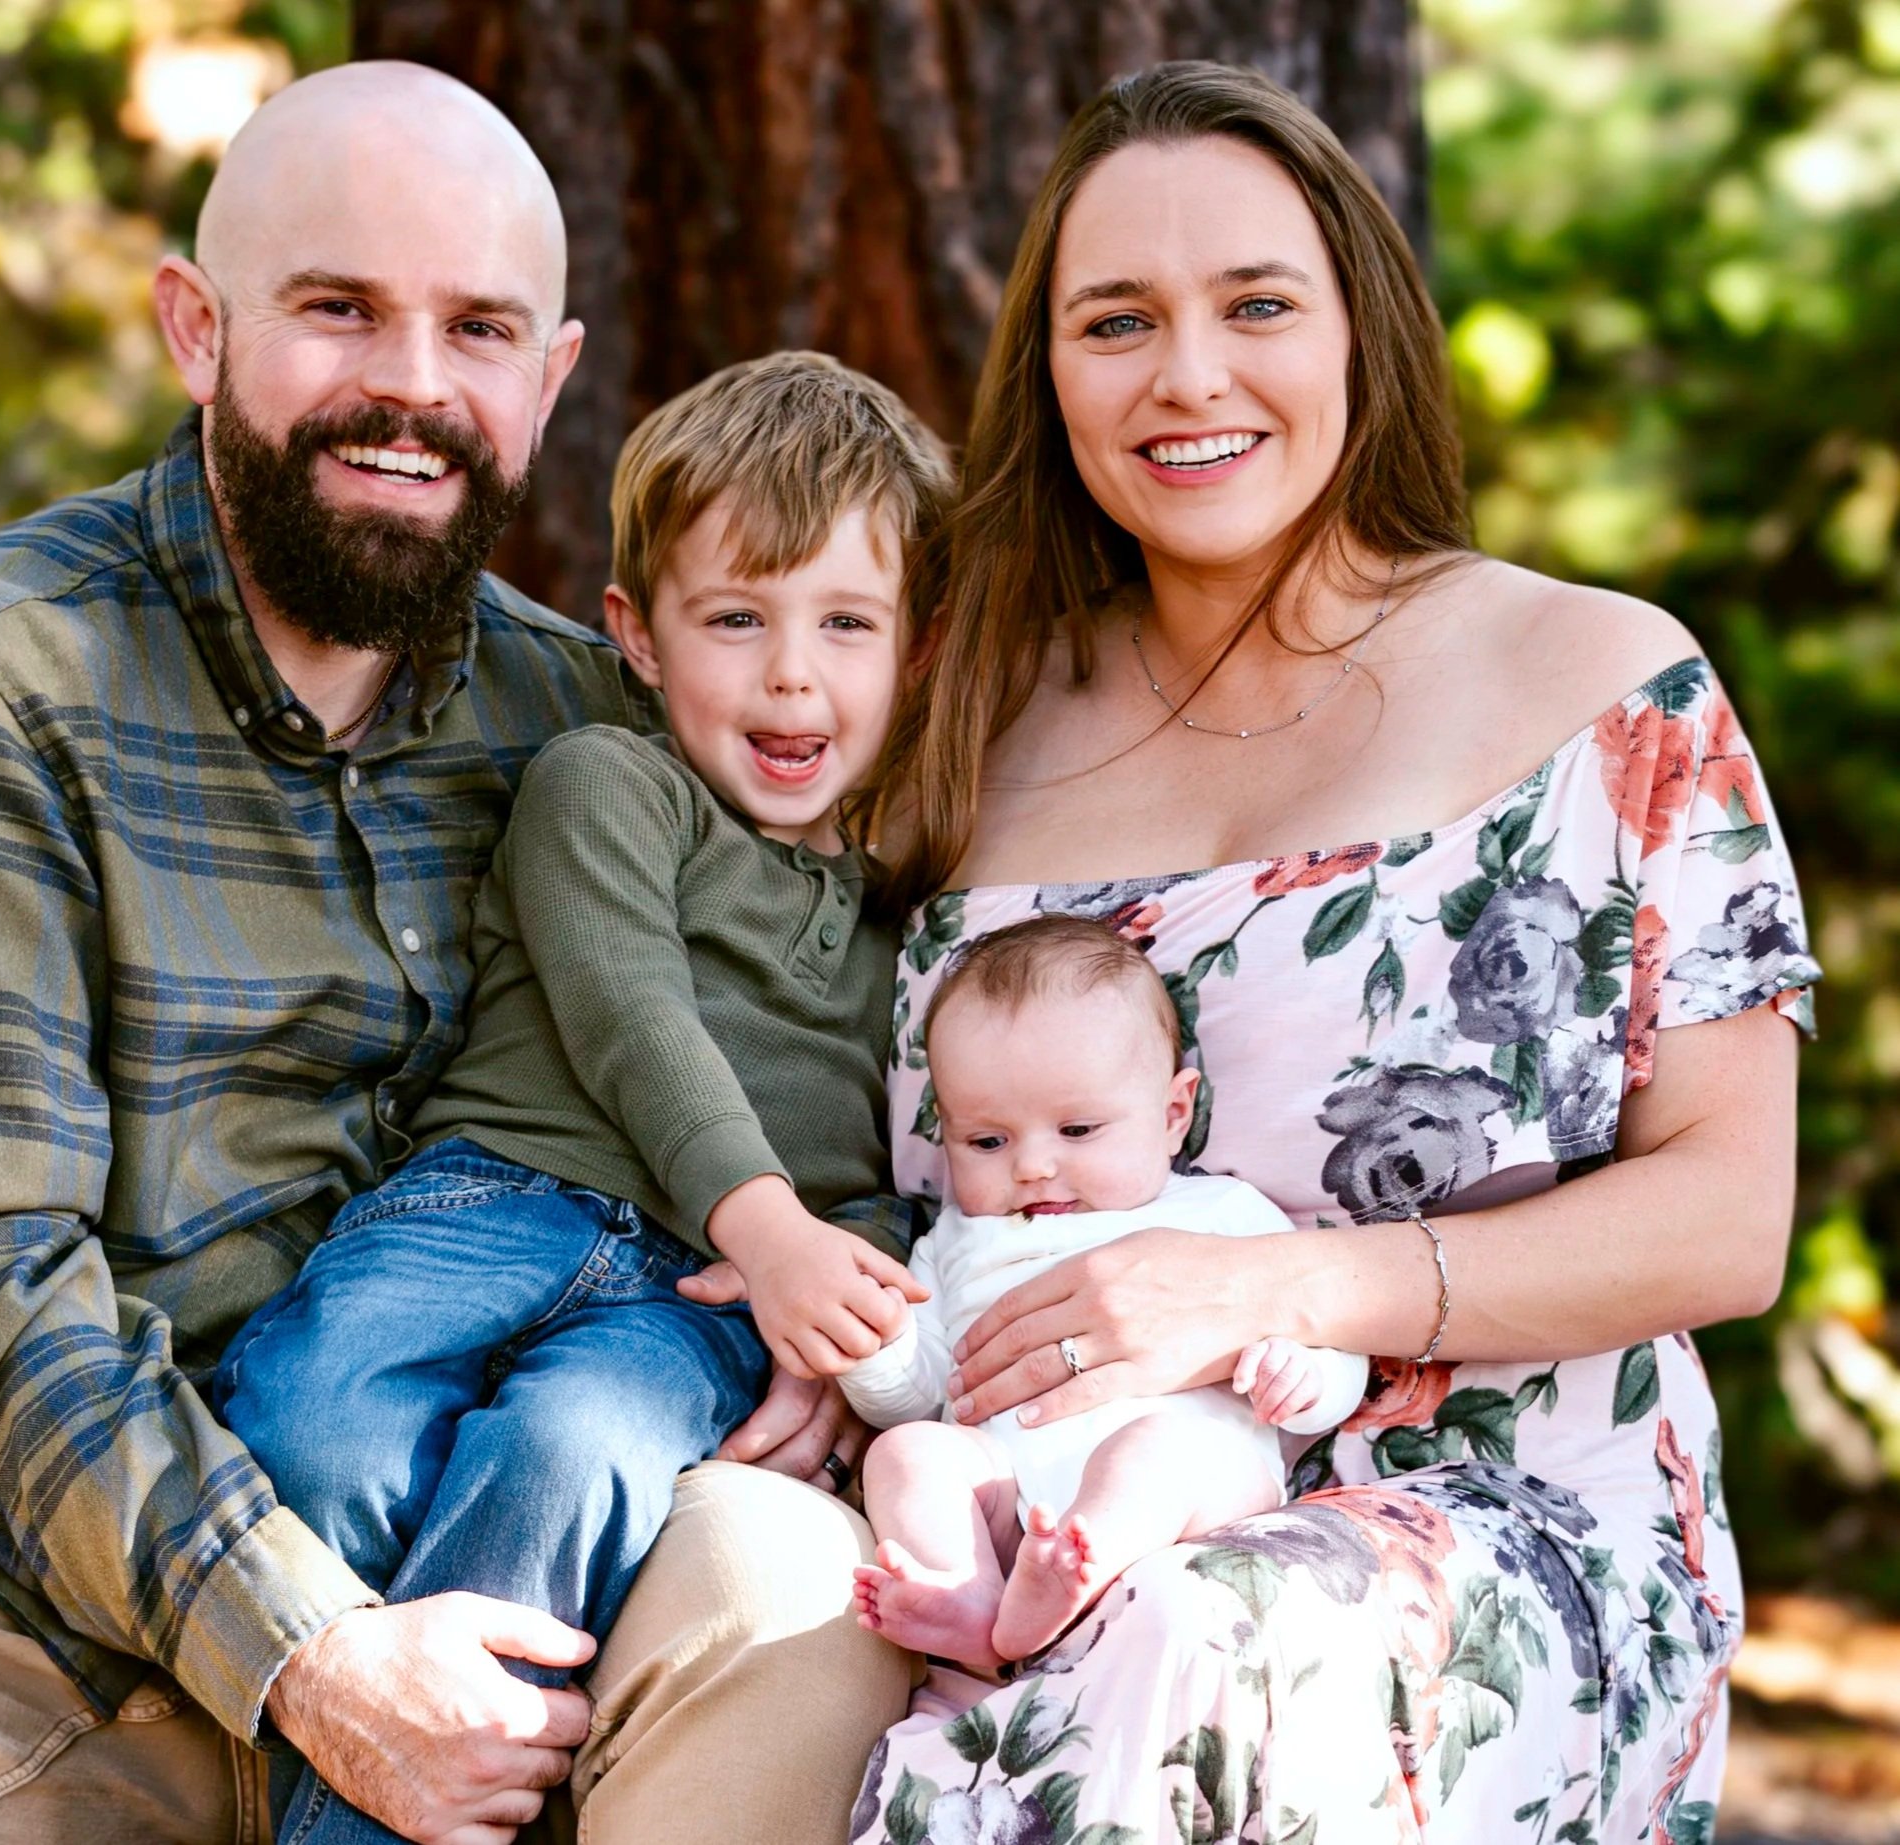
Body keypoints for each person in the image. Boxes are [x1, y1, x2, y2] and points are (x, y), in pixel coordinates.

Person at [0, 66, 912, 1845]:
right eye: (339, 309)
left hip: (496, 1519)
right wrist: (308, 1655)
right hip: (6, 1586)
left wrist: (819, 1314)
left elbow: (804, 1006)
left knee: (796, 1615)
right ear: (196, 329)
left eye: (477, 330)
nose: (414, 385)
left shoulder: (594, 709)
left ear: (547, 380)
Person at [837, 59, 1820, 1845]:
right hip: (1002, 1508)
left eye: (1256, 305)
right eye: (1114, 322)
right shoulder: (960, 729)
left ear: (1358, 329)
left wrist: (1277, 1291)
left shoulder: (1601, 688)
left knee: (1199, 1639)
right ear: (1047, 376)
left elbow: (1724, 1218)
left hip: (1493, 1517)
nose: (1186, 377)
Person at [215, 350, 949, 1844]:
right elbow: (631, 1018)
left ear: (917, 647)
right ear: (636, 636)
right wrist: (776, 1227)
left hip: (692, 1300)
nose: (790, 674)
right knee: (317, 1420)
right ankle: (349, 1738)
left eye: (845, 624)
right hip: (489, 1204)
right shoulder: (605, 783)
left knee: (570, 1455)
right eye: (734, 619)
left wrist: (831, 1302)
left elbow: (898, 1165)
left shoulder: (909, 920)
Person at [842, 914, 1367, 1674]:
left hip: (1193, 1496)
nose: (1031, 1166)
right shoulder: (955, 1241)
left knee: (1150, 1450)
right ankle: (969, 1595)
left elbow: (1330, 1333)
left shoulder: (1221, 1214)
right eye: (986, 1141)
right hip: (1014, 1510)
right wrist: (876, 1342)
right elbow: (920, 1394)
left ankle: (1078, 1571)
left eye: (1078, 1129)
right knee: (906, 1453)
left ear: (1172, 1115)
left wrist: (1305, 1375)